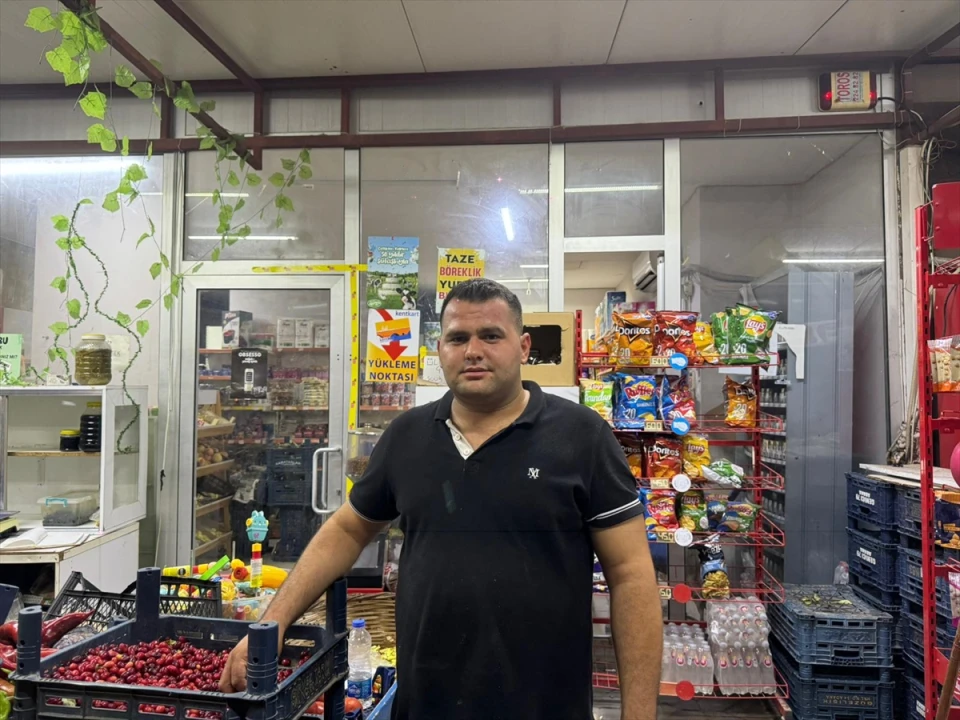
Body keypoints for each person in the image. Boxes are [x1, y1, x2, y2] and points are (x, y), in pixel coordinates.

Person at [220, 278, 663, 719]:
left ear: (524, 347)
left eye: (491, 336)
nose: (473, 351)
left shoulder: (582, 437)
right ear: (439, 350)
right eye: (457, 338)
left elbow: (631, 576)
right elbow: (348, 529)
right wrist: (271, 625)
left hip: (546, 706)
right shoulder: (406, 436)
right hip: (425, 703)